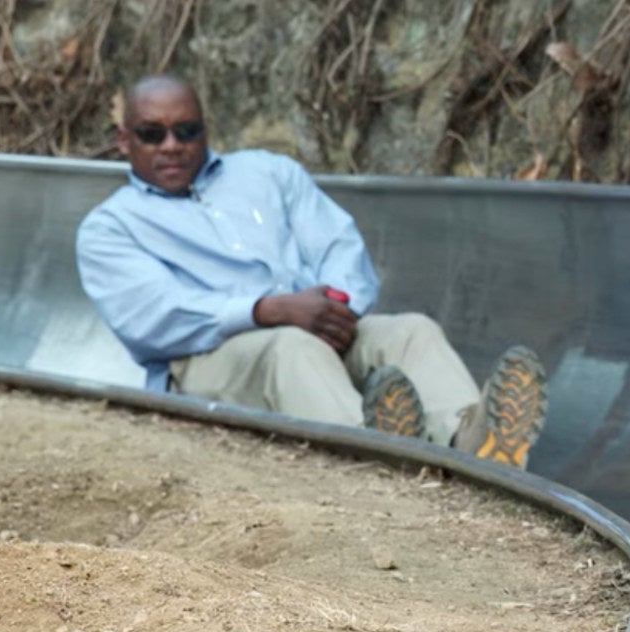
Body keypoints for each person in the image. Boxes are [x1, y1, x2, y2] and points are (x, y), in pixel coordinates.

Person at [76, 75, 547, 469]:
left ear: (205, 130)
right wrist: (270, 310)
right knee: (291, 348)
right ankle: (383, 465)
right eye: (152, 134)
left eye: (187, 131)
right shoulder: (110, 227)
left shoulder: (268, 173)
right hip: (208, 361)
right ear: (124, 140)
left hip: (315, 330)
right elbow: (156, 318)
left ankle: (473, 448)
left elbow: (339, 244)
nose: (173, 146)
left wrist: (334, 311)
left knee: (410, 331)